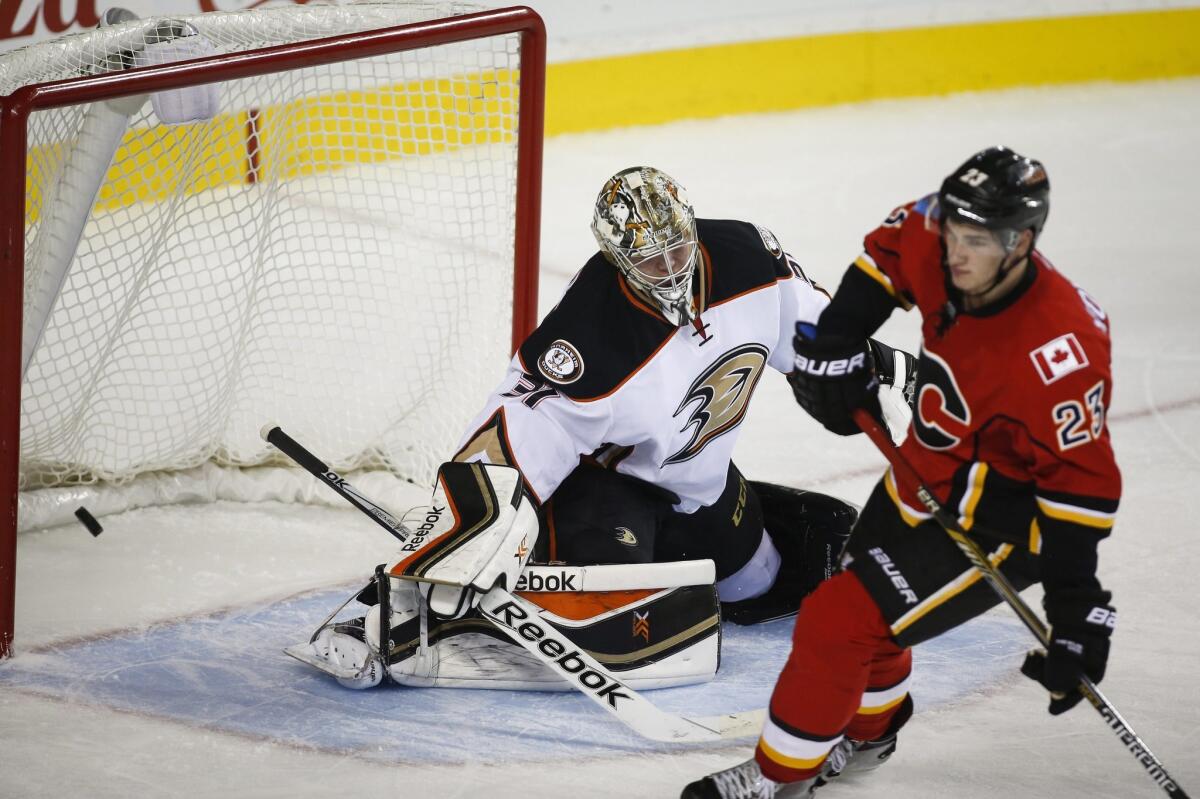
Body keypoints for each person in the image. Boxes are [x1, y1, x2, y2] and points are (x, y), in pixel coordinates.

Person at [296, 166, 916, 692]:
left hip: (701, 483)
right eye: (648, 259)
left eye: (677, 246)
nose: (671, 268)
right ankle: (433, 617)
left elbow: (817, 335)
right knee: (617, 609)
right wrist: (454, 537)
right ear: (616, 257)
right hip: (606, 493)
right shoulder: (589, 337)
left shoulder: (748, 258)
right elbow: (510, 440)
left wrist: (895, 368)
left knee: (775, 580)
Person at [684, 145, 1122, 798]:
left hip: (1002, 518)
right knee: (873, 614)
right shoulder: (944, 231)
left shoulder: (1061, 353)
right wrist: (835, 343)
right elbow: (883, 262)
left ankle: (780, 779)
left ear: (1021, 241)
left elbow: (1077, 492)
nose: (954, 254)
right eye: (951, 231)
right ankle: (871, 732)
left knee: (838, 616)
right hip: (925, 474)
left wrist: (1079, 611)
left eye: (974, 241)